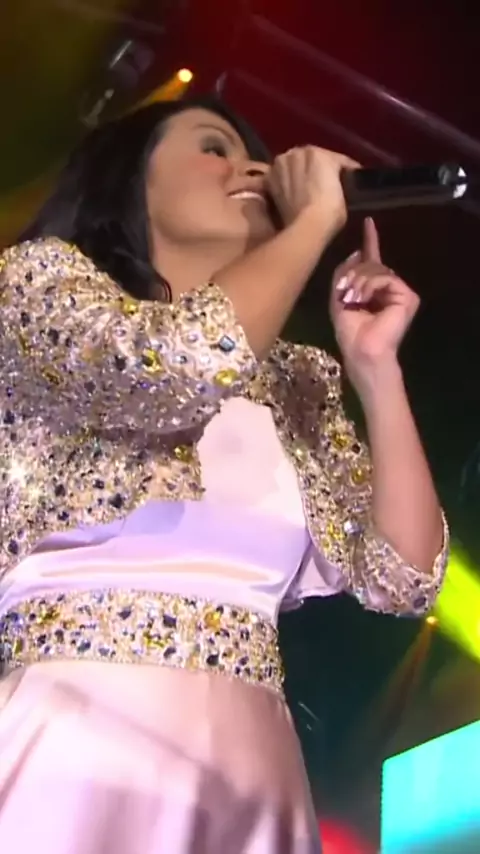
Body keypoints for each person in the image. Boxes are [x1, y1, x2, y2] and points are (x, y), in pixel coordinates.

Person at [0, 95, 447, 854]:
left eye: (257, 159)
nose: (253, 170)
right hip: (77, 735)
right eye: (215, 148)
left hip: (249, 768)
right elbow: (170, 369)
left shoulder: (295, 379)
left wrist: (376, 369)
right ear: (130, 179)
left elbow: (404, 578)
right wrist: (314, 222)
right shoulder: (39, 284)